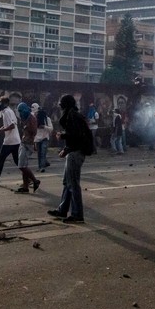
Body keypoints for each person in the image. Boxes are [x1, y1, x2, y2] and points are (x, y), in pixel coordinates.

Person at [48, 94, 92, 223]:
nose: (60, 105)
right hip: (73, 152)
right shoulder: (72, 114)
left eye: (62, 103)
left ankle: (77, 215)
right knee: (67, 183)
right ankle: (62, 210)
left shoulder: (72, 116)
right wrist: (66, 149)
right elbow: (75, 137)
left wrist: (63, 136)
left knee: (73, 184)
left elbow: (76, 135)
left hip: (76, 153)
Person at [0, 96, 21, 186]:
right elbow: (8, 125)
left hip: (10, 141)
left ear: (5, 103)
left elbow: (12, 126)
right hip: (15, 140)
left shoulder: (7, 112)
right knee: (18, 161)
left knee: (1, 159)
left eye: (0, 102)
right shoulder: (8, 111)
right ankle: (30, 179)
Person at [15, 102, 41, 194]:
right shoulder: (25, 117)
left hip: (28, 143)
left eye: (21, 111)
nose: (20, 113)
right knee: (23, 165)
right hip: (24, 142)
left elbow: (34, 131)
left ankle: (35, 181)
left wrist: (27, 126)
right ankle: (25, 187)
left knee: (22, 165)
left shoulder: (31, 117)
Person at [32, 102, 52, 172]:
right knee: (39, 154)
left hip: (45, 138)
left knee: (43, 153)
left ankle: (42, 167)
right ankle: (41, 166)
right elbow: (34, 131)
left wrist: (44, 126)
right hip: (37, 139)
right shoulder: (34, 119)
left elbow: (51, 129)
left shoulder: (47, 119)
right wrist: (34, 142)